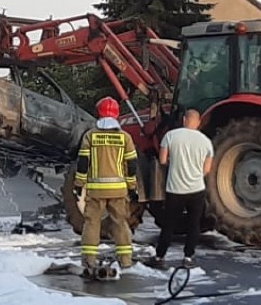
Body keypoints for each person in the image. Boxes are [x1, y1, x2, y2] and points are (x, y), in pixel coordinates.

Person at [73, 97, 139, 278]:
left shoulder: (90, 136)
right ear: (117, 114)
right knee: (120, 223)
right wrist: (132, 187)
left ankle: (89, 260)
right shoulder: (125, 137)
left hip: (96, 190)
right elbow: (131, 165)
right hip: (118, 190)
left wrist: (79, 184)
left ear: (98, 113)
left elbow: (83, 163)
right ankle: (126, 260)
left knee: (92, 223)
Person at [146, 109, 214, 269]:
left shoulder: (170, 136)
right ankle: (188, 257)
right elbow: (207, 170)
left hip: (175, 189)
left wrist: (175, 164)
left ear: (184, 120)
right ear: (198, 123)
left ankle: (160, 256)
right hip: (197, 189)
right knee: (193, 224)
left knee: (169, 224)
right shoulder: (206, 141)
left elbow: (162, 160)